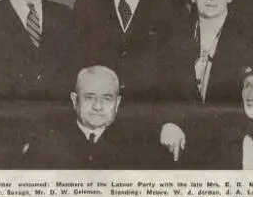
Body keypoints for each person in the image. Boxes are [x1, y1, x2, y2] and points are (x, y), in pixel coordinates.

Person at [158, 0, 253, 164]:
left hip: (234, 146)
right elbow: (162, 90)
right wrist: (169, 122)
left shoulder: (250, 37)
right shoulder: (175, 36)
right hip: (183, 143)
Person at [24, 66, 165, 169]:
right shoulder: (45, 146)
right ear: (75, 100)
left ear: (118, 103)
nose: (98, 106)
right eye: (89, 97)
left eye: (107, 98)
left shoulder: (138, 148)